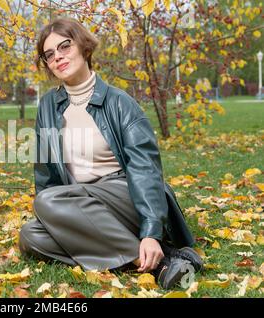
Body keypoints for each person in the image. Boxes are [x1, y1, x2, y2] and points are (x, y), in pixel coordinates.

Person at [18, 17, 203, 290]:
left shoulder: (119, 102)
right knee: (31, 236)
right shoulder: (48, 106)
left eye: (65, 46)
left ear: (84, 47)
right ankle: (161, 259)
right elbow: (46, 173)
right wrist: (54, 217)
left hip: (125, 197)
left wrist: (151, 229)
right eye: (49, 54)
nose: (58, 57)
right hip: (80, 203)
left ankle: (154, 253)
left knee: (46, 201)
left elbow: (145, 168)